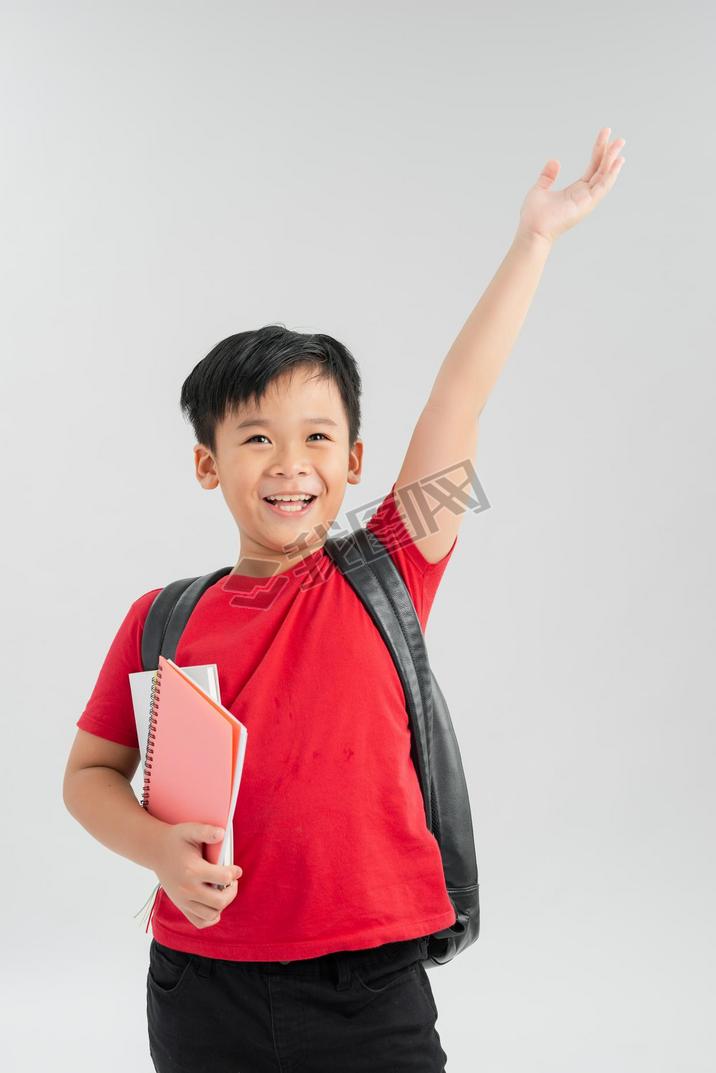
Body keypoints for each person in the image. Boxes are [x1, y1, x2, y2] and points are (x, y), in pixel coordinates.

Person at [62, 127, 625, 1072]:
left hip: (373, 991)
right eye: (254, 440)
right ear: (207, 464)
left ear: (356, 461)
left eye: (319, 437)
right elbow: (87, 777)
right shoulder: (159, 618)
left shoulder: (390, 565)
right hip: (201, 987)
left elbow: (461, 397)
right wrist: (159, 853)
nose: (291, 465)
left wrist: (533, 242)